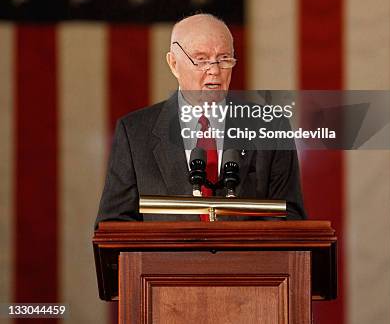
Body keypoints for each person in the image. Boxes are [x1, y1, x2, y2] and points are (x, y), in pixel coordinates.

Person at [95, 14, 306, 226]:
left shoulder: (271, 126)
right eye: (202, 59)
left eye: (224, 59)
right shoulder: (135, 133)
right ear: (174, 64)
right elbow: (114, 225)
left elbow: (289, 218)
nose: (214, 70)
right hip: (166, 260)